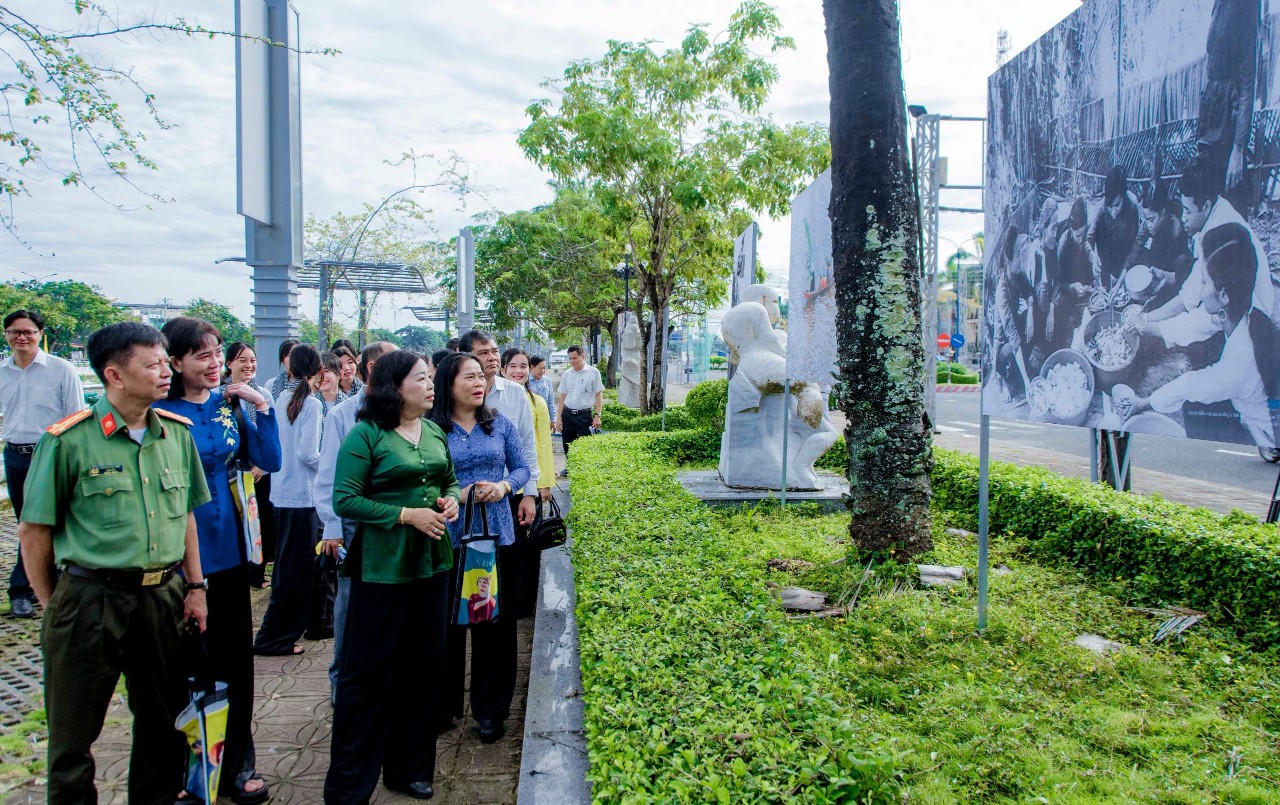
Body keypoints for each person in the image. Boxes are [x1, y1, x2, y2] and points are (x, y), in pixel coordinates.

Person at [17, 321, 211, 803]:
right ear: (114, 374)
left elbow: (186, 515)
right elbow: (34, 531)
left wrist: (196, 587)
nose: (166, 372)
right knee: (72, 734)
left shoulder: (176, 435)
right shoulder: (68, 440)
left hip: (161, 596)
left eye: (165, 362)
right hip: (90, 597)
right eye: (153, 364)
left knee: (163, 722)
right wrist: (54, 603)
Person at [324, 351, 460, 803]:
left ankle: (409, 769)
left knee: (423, 668)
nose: (431, 385)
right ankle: (349, 784)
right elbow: (345, 499)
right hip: (381, 568)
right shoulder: (365, 435)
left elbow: (448, 479)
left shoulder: (434, 430)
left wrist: (450, 499)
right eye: (421, 378)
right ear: (394, 387)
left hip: (432, 563)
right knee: (366, 675)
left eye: (430, 378)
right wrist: (405, 515)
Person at [155, 318, 280, 804]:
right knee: (185, 667)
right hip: (174, 553)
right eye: (201, 355)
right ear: (175, 361)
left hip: (227, 548)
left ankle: (237, 763)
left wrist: (261, 407)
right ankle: (190, 772)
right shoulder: (158, 411)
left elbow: (270, 459)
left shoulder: (228, 406)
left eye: (216, 353)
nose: (213, 364)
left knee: (234, 661)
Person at [433, 352, 530, 745]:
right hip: (448, 537)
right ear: (448, 384)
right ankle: (443, 705)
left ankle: (491, 710)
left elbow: (521, 468)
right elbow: (424, 479)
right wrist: (459, 493)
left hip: (495, 535)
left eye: (480, 377)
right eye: (469, 378)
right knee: (447, 625)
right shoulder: (432, 430)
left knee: (493, 624)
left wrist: (504, 487)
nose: (479, 384)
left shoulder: (499, 424)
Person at [1131, 237, 1277, 446]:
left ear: (1224, 295)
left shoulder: (1240, 362)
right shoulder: (1242, 311)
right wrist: (1148, 327)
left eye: (1204, 282)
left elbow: (1191, 385)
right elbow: (1196, 323)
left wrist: (1144, 403)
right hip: (1249, 404)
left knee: (1194, 409)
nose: (1200, 290)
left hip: (1265, 436)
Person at [314, 341, 396, 701]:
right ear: (374, 367)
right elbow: (328, 476)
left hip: (392, 525)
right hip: (354, 526)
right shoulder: (343, 415)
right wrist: (332, 528)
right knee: (349, 604)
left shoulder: (403, 410)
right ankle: (341, 683)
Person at [0, 309, 85, 618]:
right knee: (27, 524)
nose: (22, 337)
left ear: (40, 334)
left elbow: (76, 416)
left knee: (54, 522)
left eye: (28, 332)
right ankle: (30, 589)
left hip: (49, 453)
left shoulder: (61, 370)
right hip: (15, 454)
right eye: (15, 332)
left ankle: (31, 588)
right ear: (6, 335)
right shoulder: (3, 371)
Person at [1146, 155, 1274, 334]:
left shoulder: (1220, 231)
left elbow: (1190, 299)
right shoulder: (1217, 208)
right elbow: (1196, 283)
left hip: (1252, 315)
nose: (1183, 218)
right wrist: (1170, 278)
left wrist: (1148, 320)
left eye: (1188, 211)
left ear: (1206, 206)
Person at [254, 344, 325, 656]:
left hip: (281, 494)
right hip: (303, 497)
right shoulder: (311, 404)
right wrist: (331, 466)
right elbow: (308, 454)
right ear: (318, 370)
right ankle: (275, 637)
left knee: (286, 569)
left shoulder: (280, 397)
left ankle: (276, 634)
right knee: (297, 571)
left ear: (290, 368)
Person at [501, 348, 555, 617]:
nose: (518, 371)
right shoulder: (492, 399)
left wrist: (543, 482)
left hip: (529, 486)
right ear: (503, 369)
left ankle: (526, 603)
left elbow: (542, 444)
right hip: (503, 486)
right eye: (513, 366)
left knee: (529, 545)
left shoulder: (538, 403)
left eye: (523, 366)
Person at [223, 342, 278, 590]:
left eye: (252, 360)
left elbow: (271, 433)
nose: (249, 365)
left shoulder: (262, 394)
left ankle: (257, 572)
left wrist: (261, 467)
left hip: (258, 471)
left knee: (259, 521)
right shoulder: (221, 395)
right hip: (232, 472)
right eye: (242, 360)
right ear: (229, 364)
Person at [554, 344, 604, 466]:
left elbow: (598, 395)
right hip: (568, 415)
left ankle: (584, 469)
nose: (572, 361)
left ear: (582, 356)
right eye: (570, 358)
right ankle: (570, 468)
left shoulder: (593, 372)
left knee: (586, 445)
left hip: (584, 415)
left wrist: (598, 416)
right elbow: (562, 397)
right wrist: (559, 417)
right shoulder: (567, 374)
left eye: (575, 358)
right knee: (567, 444)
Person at [527, 355, 556, 428]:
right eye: (540, 368)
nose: (543, 371)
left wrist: (553, 420)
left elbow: (550, 401)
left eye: (544, 368)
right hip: (529, 419)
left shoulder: (547, 381)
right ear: (532, 367)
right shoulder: (525, 381)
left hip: (544, 418)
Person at [315, 350, 347, 415]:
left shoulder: (348, 405)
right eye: (317, 371)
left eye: (326, 371)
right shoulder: (308, 404)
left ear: (340, 374)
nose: (321, 376)